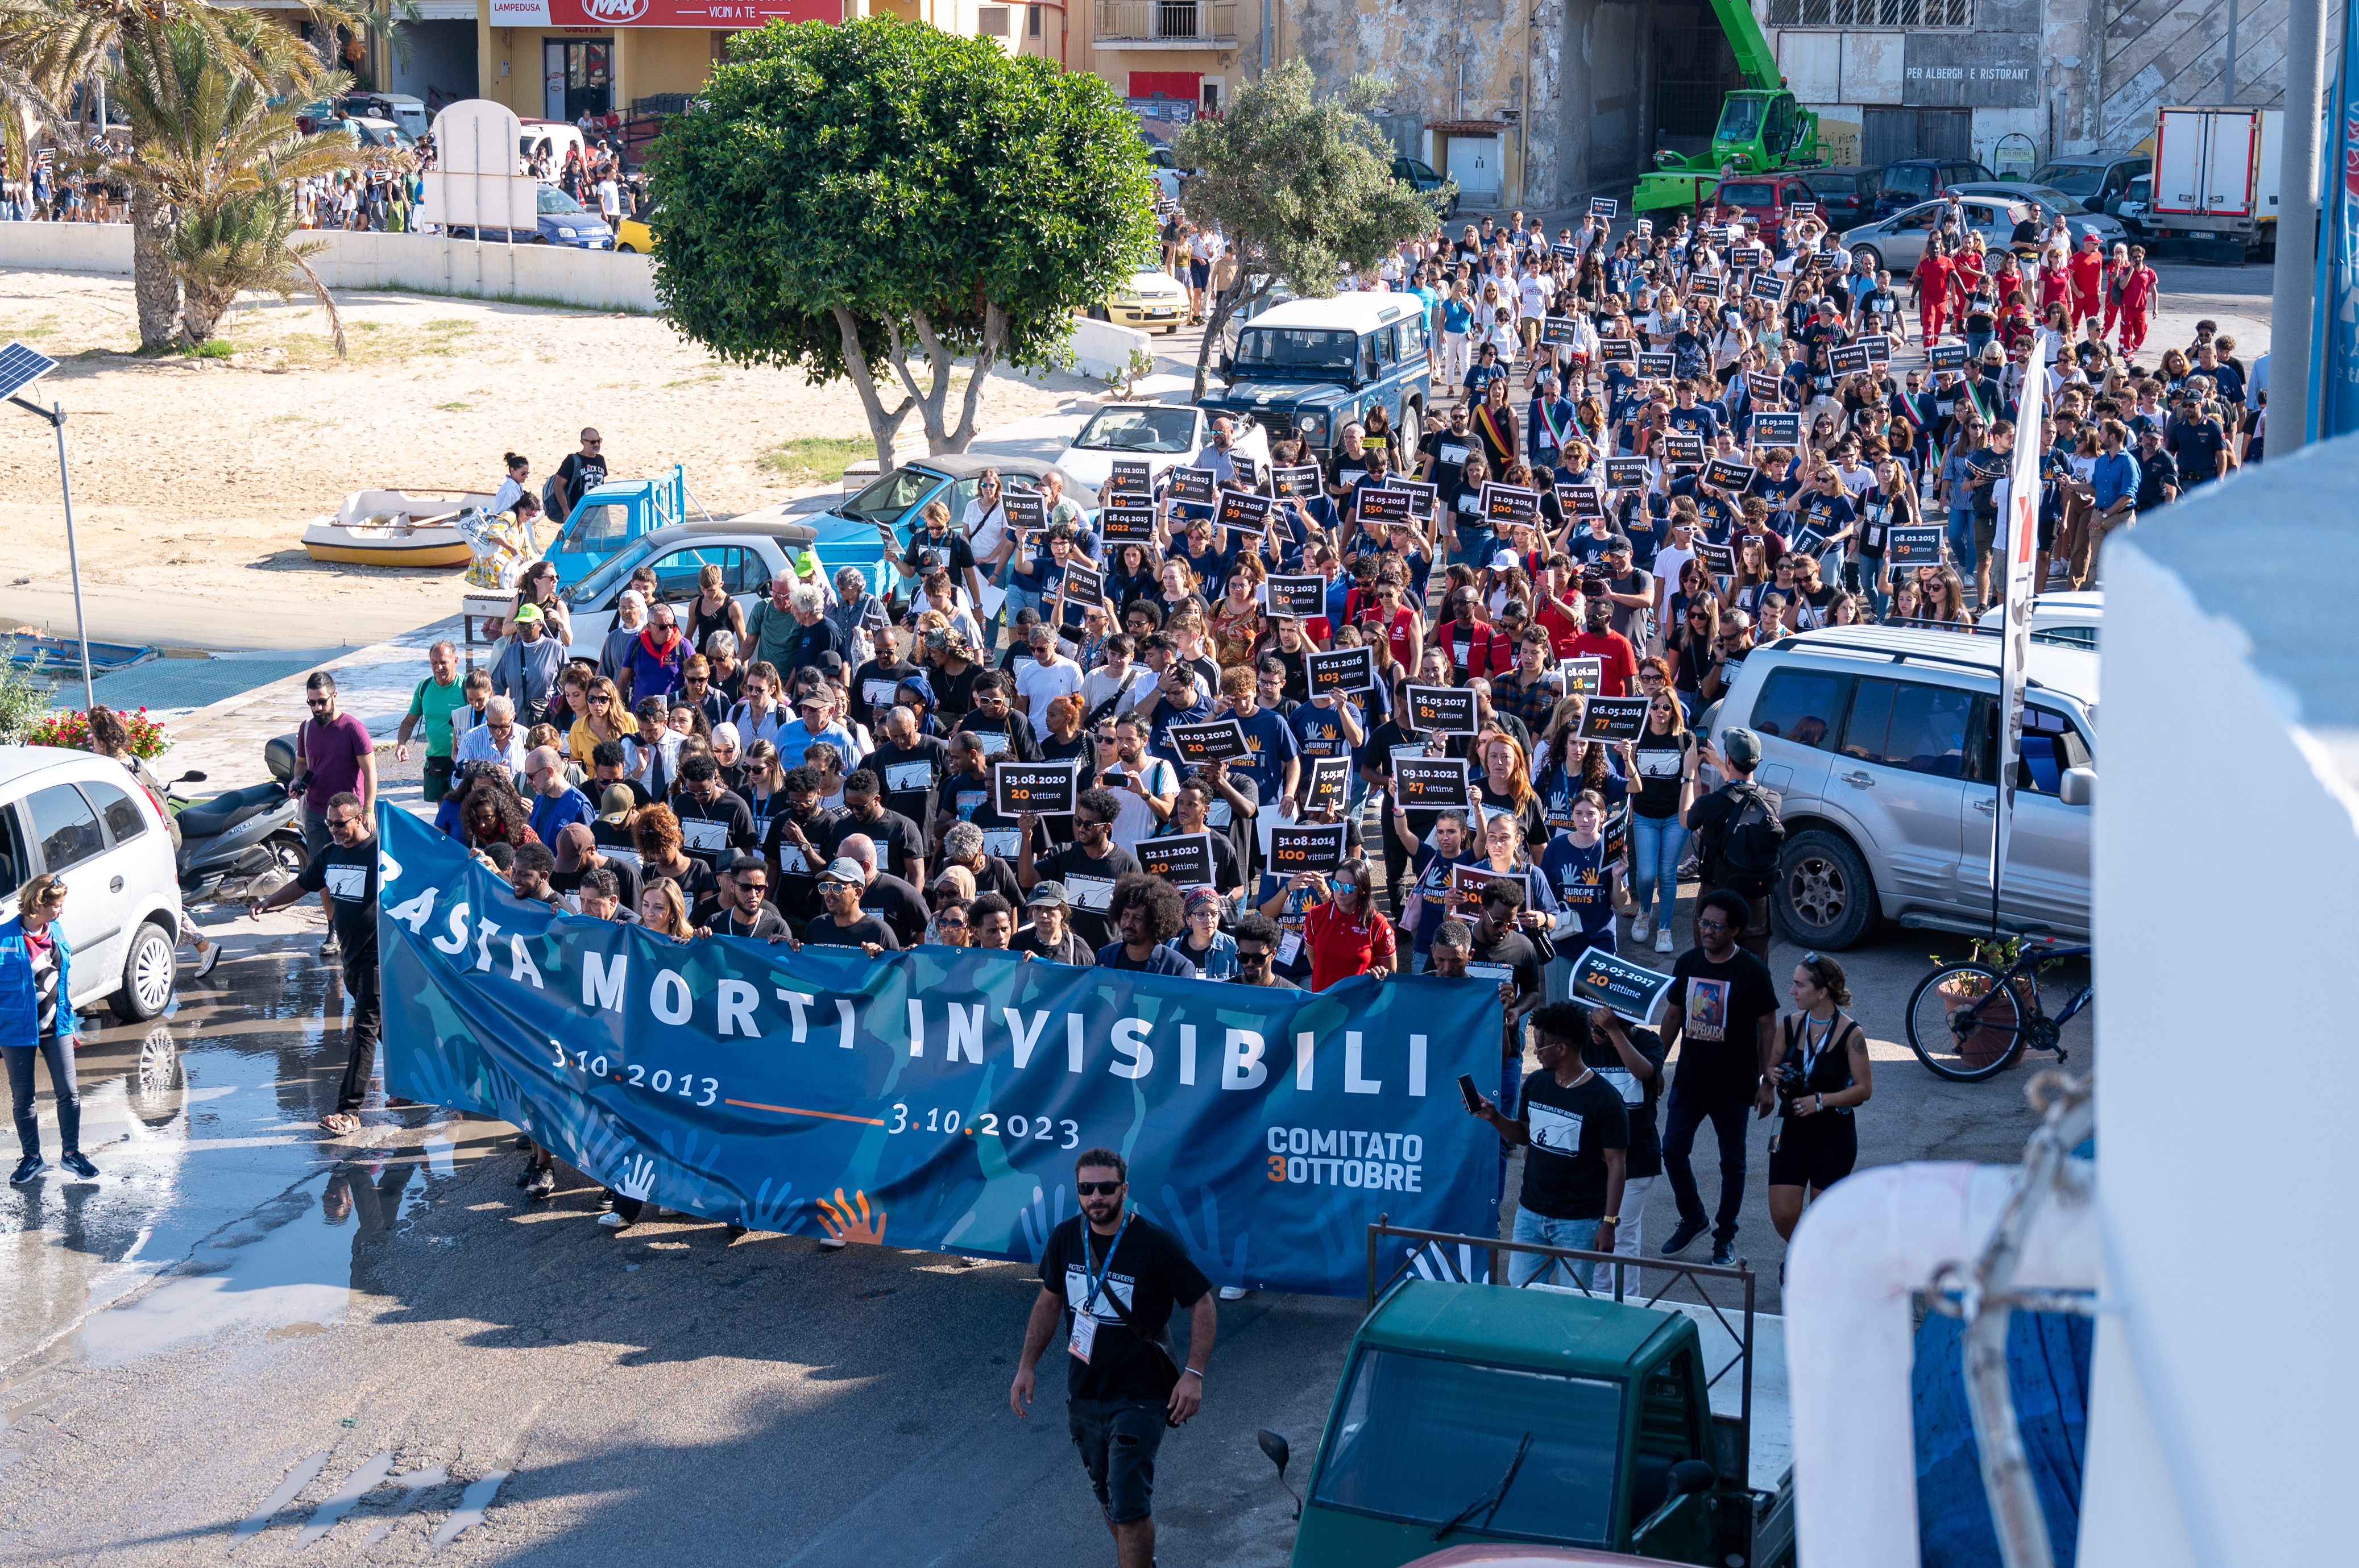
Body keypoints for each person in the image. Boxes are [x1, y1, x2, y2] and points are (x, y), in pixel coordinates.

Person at [1010, 1147, 1215, 1568]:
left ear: (1124, 1189)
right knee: (1109, 1499)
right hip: (1085, 1394)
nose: (1096, 1197)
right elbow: (1049, 1303)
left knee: (1130, 1505)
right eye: (1087, 1189)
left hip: (1140, 1398)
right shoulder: (1066, 1238)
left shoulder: (1155, 1244)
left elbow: (1203, 1304)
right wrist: (1026, 1366)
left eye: (1106, 1187)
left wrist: (1193, 1374)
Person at [1657, 887, 1781, 1268]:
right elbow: (1673, 1016)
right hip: (1689, 1081)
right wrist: (1655, 1065)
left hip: (1734, 1086)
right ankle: (1694, 1217)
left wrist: (1767, 1082)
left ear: (1736, 930)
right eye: (1703, 922)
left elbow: (1768, 1028)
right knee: (1672, 1151)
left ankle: (1725, 1235)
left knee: (1733, 1165)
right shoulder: (1688, 962)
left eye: (1716, 926)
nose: (1706, 931)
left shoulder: (1753, 972)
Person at [1467, 1000, 1628, 1286]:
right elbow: (1524, 1135)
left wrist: (1609, 1223)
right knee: (1522, 1293)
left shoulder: (1605, 1099)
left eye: (1540, 1046)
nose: (1535, 1052)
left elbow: (1617, 1163)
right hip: (1530, 1214)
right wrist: (1494, 1118)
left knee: (1573, 1302)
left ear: (1562, 1049)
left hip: (1579, 1223)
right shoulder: (1536, 1084)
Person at [251, 793, 380, 1135]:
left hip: (377, 956)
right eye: (330, 823)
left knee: (364, 1031)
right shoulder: (330, 854)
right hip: (350, 958)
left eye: (340, 823)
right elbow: (302, 884)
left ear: (359, 819)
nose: (334, 830)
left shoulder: (380, 852)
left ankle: (350, 1111)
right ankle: (418, 1084)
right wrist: (268, 902)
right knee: (384, 1030)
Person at [1767, 951, 1872, 1242]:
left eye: (1800, 985)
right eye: (1793, 983)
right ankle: (1802, 1253)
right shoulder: (1789, 1025)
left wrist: (1821, 1101)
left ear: (1823, 991)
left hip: (1833, 1135)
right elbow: (1772, 1066)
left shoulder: (1852, 1034)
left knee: (1823, 1216)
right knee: (1783, 1215)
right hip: (1788, 1129)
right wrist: (1773, 1076)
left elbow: (1864, 1088)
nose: (1792, 991)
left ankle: (1811, 1261)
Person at [2, 874, 96, 1184]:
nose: (62, 911)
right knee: (23, 1098)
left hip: (58, 1024)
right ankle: (32, 1158)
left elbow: (61, 978)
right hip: (16, 1030)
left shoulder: (55, 930)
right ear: (39, 903)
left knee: (69, 1092)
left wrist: (69, 1021)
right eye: (57, 905)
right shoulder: (4, 938)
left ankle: (72, 1154)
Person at [1581, 1003, 1667, 1293]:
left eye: (1601, 1028)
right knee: (1598, 1235)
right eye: (1593, 1024)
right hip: (1594, 1159)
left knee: (1621, 1234)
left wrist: (1614, 1033)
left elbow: (1644, 1072)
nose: (1595, 1032)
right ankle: (1600, 1302)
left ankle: (1626, 1304)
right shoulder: (1584, 1042)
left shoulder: (1647, 1042)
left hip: (1636, 1157)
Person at [293, 671, 376, 958]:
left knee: (359, 873)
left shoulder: (354, 729)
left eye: (322, 702)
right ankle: (334, 929)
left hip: (351, 817)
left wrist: (369, 809)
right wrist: (297, 781)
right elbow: (301, 763)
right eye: (312, 703)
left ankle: (366, 927)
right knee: (326, 876)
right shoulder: (306, 729)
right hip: (318, 815)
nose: (317, 708)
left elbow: (370, 772)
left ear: (334, 696)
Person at [1684, 727, 1782, 966]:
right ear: (1758, 761)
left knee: (1712, 969)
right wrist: (1722, 764)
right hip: (1757, 901)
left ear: (1729, 758)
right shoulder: (1772, 800)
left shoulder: (1710, 804)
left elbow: (1686, 819)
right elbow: (1742, 794)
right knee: (1753, 971)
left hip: (1716, 900)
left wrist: (1689, 773)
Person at [1298, 858, 1397, 989]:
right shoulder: (1315, 916)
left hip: (1360, 998)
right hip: (1324, 998)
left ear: (1362, 890)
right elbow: (1314, 962)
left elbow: (1390, 972)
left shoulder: (1378, 924)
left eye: (1349, 888)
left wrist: (1379, 974)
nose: (1340, 892)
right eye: (1336, 885)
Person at [396, 638, 469, 804]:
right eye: (434, 663)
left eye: (444, 663)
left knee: (461, 812)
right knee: (443, 813)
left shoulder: (465, 688)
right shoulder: (424, 687)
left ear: (456, 661)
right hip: (435, 761)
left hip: (461, 760)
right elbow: (409, 721)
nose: (438, 668)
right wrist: (402, 743)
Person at [1097, 873, 1196, 974]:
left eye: (1138, 918)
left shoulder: (1178, 967)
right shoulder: (1104, 955)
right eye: (1126, 915)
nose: (1129, 924)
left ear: (1156, 922)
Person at [803, 858, 899, 955]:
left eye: (837, 887)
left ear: (858, 893)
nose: (829, 892)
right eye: (826, 886)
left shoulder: (880, 932)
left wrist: (881, 956)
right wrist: (795, 950)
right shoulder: (816, 927)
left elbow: (896, 964)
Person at [1014, 881, 1093, 965]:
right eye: (1038, 908)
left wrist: (1041, 966)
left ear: (1063, 913)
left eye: (1050, 908)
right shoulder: (1018, 942)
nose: (1043, 915)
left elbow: (1092, 973)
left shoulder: (1077, 948)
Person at [550, 427, 607, 525]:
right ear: (583, 442)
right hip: (578, 516)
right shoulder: (572, 460)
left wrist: (606, 515)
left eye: (599, 441)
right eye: (593, 442)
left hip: (597, 516)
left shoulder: (601, 460)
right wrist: (566, 512)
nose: (597, 445)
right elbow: (558, 486)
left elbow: (602, 487)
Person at [1229, 911, 1296, 989]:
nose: (1250, 963)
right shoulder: (1225, 991)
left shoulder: (1291, 994)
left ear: (1273, 954)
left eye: (1258, 958)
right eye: (1244, 957)